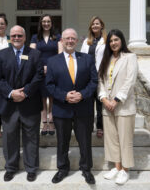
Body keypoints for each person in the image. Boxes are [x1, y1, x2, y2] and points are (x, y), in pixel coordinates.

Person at [46, 28, 98, 184]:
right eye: (66, 38)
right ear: (61, 41)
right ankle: (62, 169)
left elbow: (94, 81)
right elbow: (49, 84)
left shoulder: (87, 59)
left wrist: (82, 94)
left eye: (73, 38)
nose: (70, 41)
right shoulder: (52, 61)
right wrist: (64, 96)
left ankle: (86, 169)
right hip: (62, 108)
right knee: (62, 141)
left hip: (83, 108)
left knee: (85, 141)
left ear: (77, 41)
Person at [0, 25, 43, 182]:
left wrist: (25, 92)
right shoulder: (1, 55)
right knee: (9, 138)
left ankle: (31, 168)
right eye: (13, 35)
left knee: (32, 138)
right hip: (9, 105)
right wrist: (11, 93)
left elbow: (39, 75)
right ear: (10, 37)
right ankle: (10, 167)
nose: (16, 38)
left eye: (19, 35)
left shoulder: (35, 54)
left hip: (30, 103)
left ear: (25, 37)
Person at [98, 29, 138, 184]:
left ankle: (125, 170)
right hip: (107, 106)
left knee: (124, 139)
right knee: (112, 139)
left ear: (122, 40)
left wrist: (116, 99)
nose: (113, 43)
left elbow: (130, 81)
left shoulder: (130, 57)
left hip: (124, 106)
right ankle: (117, 166)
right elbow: (100, 81)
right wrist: (103, 98)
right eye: (111, 41)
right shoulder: (106, 60)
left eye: (116, 40)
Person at [30, 14, 63, 136]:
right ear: (40, 23)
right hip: (39, 71)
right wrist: (41, 67)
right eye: (44, 21)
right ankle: (44, 123)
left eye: (48, 21)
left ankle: (52, 122)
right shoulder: (35, 37)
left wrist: (50, 67)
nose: (46, 23)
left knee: (52, 98)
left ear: (51, 23)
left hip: (53, 70)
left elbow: (60, 53)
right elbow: (32, 54)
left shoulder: (57, 37)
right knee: (43, 98)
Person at [81, 16, 106, 138]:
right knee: (88, 102)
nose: (95, 26)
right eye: (93, 24)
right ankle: (89, 125)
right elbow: (81, 58)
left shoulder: (106, 40)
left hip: (101, 75)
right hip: (88, 77)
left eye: (97, 24)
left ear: (102, 25)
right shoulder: (86, 41)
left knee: (100, 102)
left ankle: (100, 126)